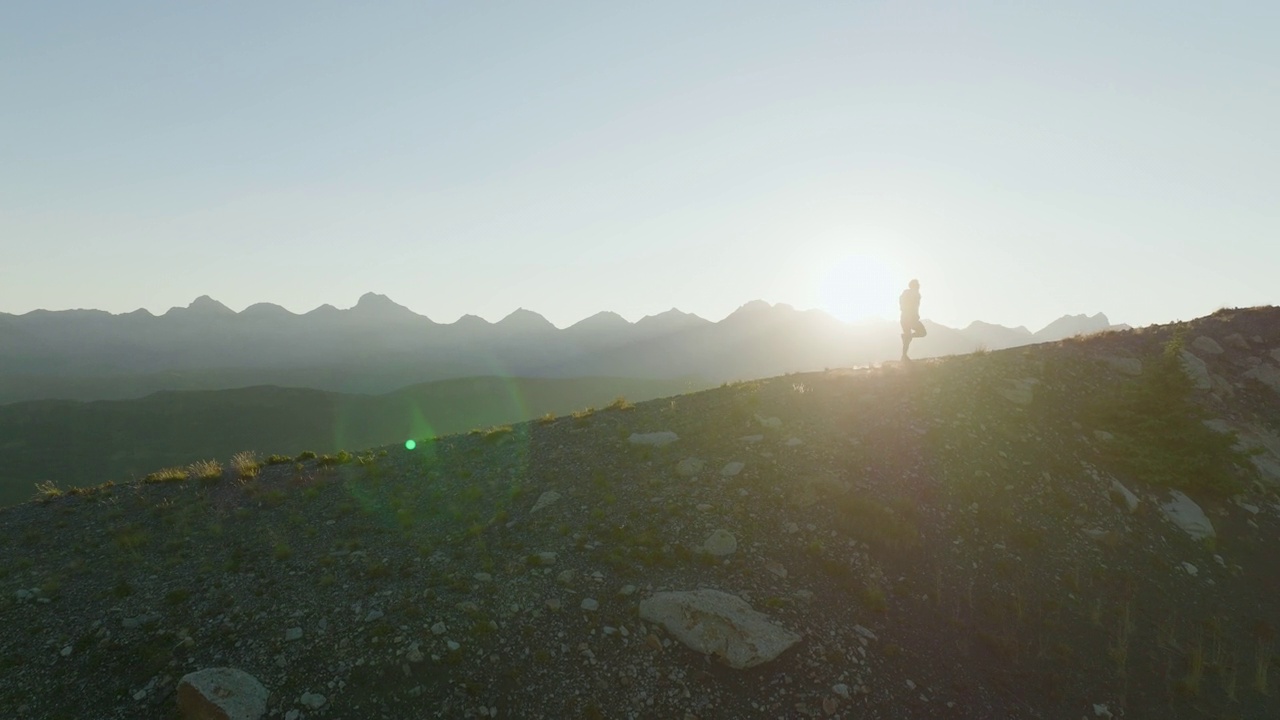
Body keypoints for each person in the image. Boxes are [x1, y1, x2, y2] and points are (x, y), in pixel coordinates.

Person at [899, 279, 926, 361]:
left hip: (904, 318)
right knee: (923, 333)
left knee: (907, 338)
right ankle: (904, 354)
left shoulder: (906, 293)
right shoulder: (915, 294)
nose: (919, 286)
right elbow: (912, 306)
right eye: (917, 284)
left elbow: (901, 304)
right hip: (910, 319)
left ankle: (904, 356)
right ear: (914, 286)